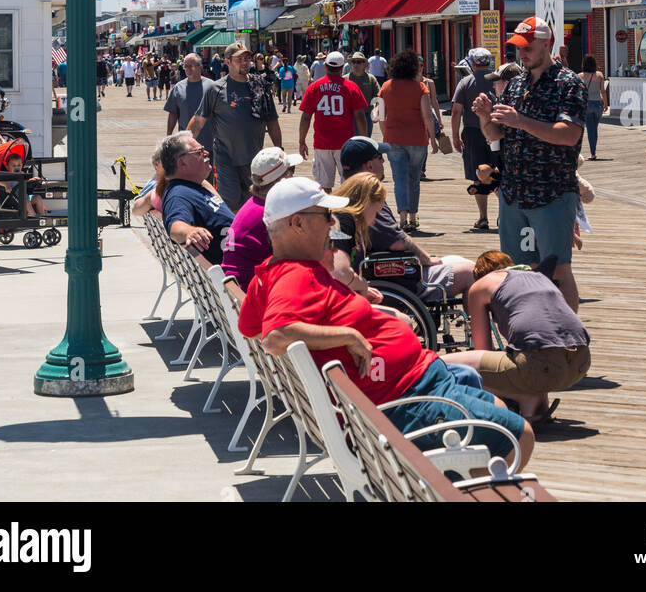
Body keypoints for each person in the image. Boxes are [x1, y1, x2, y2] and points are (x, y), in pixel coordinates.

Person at [238, 176, 532, 467]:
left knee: (499, 407)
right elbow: (275, 335)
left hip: (410, 383)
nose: (332, 223)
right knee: (520, 436)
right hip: (406, 399)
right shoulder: (295, 275)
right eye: (325, 215)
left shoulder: (272, 272)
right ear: (297, 224)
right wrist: (348, 336)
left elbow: (249, 326)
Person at [473, 17, 586, 313]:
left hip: (551, 194)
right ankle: (531, 333)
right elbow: (496, 137)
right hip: (514, 195)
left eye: (528, 48)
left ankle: (566, 338)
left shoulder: (568, 83)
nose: (522, 55)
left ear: (547, 44)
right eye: (518, 48)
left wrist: (520, 121)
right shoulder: (516, 85)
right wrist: (486, 117)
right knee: (519, 270)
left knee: (558, 270)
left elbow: (569, 134)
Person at [453, 250, 591, 421]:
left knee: (449, 364)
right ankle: (539, 404)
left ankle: (525, 397)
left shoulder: (481, 285)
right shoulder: (539, 278)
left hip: (539, 366)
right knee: (534, 349)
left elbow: (483, 350)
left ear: (479, 275)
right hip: (580, 363)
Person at [332, 161, 474, 303]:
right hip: (381, 285)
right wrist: (363, 286)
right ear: (366, 202)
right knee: (472, 273)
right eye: (376, 213)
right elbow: (339, 271)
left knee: (464, 264)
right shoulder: (344, 223)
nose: (374, 221)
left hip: (357, 291)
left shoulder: (349, 221)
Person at [186, 43, 282, 212]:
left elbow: (272, 121)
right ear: (227, 62)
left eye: (247, 59)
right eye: (239, 59)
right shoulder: (215, 89)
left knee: (254, 204)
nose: (245, 62)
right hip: (225, 160)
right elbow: (198, 121)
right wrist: (183, 147)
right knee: (229, 204)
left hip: (255, 160)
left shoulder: (260, 87)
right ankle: (231, 236)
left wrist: (279, 150)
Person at [221, 146, 302, 287]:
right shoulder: (271, 214)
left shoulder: (255, 204)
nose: (294, 177)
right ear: (281, 180)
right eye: (291, 171)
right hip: (251, 291)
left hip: (235, 288)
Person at [377, 50, 433, 231]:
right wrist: (434, 139)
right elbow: (427, 117)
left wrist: (386, 135)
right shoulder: (421, 88)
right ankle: (413, 217)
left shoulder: (385, 87)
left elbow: (379, 116)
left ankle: (402, 218)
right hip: (417, 139)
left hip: (393, 139)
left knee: (399, 179)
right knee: (414, 179)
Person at [158, 133, 234, 266]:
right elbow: (175, 225)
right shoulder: (179, 194)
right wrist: (189, 231)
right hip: (238, 276)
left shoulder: (194, 184)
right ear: (182, 163)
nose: (206, 153)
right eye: (199, 152)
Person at [298, 51, 369, 189]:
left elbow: (306, 117)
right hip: (346, 144)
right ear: (342, 68)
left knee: (324, 187)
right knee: (349, 185)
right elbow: (360, 116)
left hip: (322, 144)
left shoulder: (314, 87)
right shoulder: (351, 87)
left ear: (325, 66)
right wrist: (364, 141)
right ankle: (346, 210)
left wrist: (302, 141)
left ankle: (326, 210)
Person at [451, 48, 498, 232]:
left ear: (472, 63)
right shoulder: (496, 80)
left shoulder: (466, 82)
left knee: (479, 175)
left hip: (472, 133)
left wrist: (455, 135)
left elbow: (456, 111)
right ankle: (503, 216)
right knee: (497, 172)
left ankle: (483, 217)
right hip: (495, 132)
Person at [165, 53, 216, 150]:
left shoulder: (212, 86)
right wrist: (168, 136)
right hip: (186, 145)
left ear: (200, 67)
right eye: (185, 66)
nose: (187, 69)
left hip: (210, 144)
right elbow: (173, 114)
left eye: (191, 66)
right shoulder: (178, 88)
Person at [578, 55, 608, 161]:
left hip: (587, 104)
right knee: (594, 128)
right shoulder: (599, 75)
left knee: (591, 130)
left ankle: (593, 153)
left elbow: (579, 92)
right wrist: (605, 104)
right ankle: (593, 150)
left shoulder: (580, 76)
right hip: (598, 104)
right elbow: (603, 91)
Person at [346, 52, 380, 133]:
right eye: (354, 62)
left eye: (359, 62)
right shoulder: (345, 79)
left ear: (364, 64)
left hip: (366, 115)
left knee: (366, 142)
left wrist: (377, 114)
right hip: (349, 116)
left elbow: (379, 98)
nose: (356, 64)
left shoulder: (371, 79)